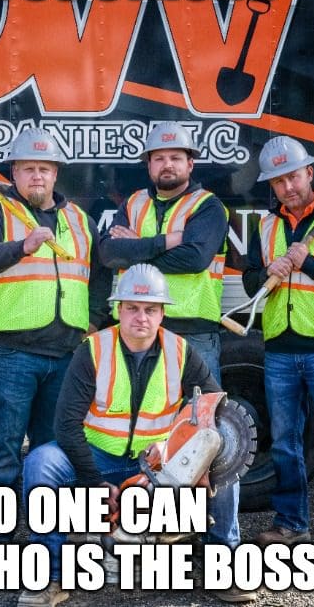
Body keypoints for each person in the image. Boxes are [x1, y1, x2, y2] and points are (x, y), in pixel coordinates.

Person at [19, 264, 256, 607]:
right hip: (99, 456)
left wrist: (191, 465)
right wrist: (93, 481)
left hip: (156, 461)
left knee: (222, 468)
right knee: (42, 461)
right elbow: (66, 425)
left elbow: (216, 412)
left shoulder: (182, 351)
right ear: (118, 310)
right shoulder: (93, 349)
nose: (140, 317)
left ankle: (226, 567)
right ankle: (51, 576)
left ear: (162, 313)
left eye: (150, 309)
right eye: (132, 307)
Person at [99, 120, 240, 554]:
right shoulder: (136, 202)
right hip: (139, 336)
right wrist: (165, 240)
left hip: (193, 334)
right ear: (148, 165)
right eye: (158, 157)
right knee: (148, 435)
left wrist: (138, 244)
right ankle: (158, 531)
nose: (166, 164)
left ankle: (225, 546)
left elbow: (195, 258)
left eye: (175, 157)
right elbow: (107, 253)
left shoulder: (209, 206)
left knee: (209, 435)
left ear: (190, 162)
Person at [0, 127, 109, 531]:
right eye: (28, 169)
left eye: (44, 168)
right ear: (14, 172)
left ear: (56, 173)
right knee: (3, 451)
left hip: (65, 355)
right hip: (10, 353)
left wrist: (93, 321)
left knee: (55, 451)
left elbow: (99, 276)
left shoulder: (79, 219)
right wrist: (21, 246)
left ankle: (52, 540)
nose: (37, 176)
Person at [243, 135, 314, 545]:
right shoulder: (266, 225)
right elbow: (249, 282)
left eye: (293, 177)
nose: (287, 187)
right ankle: (292, 525)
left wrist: (308, 262)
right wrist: (267, 274)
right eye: (278, 181)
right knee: (284, 444)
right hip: (279, 350)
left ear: (309, 173)